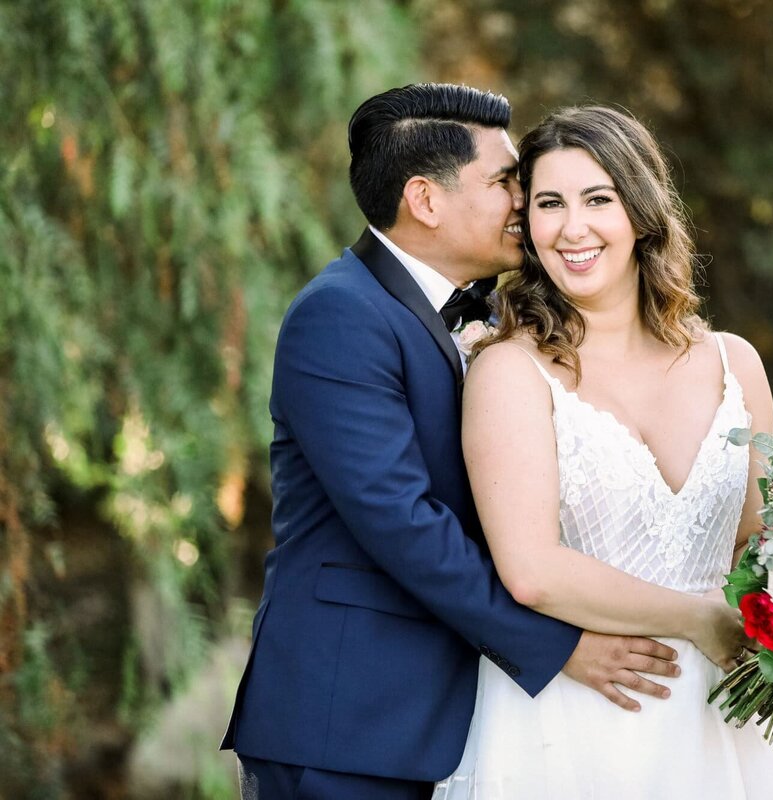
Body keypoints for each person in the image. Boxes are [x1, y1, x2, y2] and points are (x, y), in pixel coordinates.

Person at [220, 85, 700, 800]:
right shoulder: (341, 316)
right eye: (506, 181)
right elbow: (403, 523)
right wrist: (560, 645)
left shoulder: (497, 323)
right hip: (348, 722)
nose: (523, 199)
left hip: (451, 717)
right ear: (426, 199)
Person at [432, 106, 773, 798]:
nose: (571, 228)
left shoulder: (736, 364)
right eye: (549, 204)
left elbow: (760, 549)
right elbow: (531, 572)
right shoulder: (508, 373)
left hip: (719, 724)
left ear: (642, 214)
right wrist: (701, 619)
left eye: (598, 199)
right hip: (575, 718)